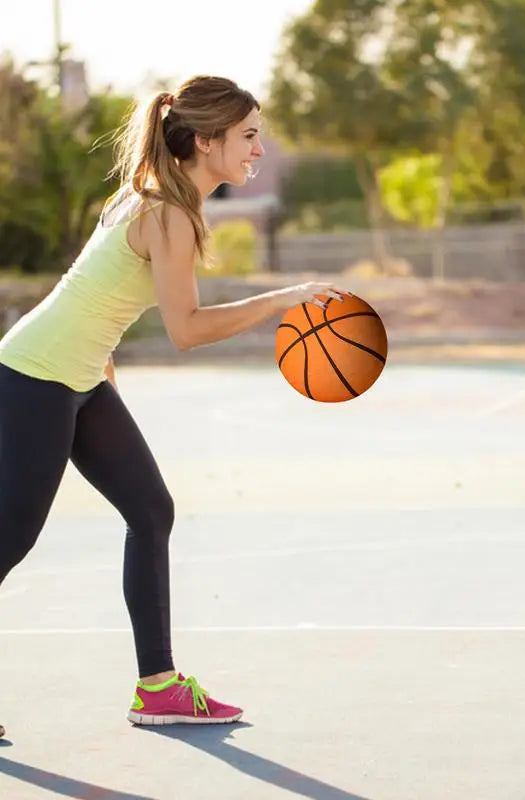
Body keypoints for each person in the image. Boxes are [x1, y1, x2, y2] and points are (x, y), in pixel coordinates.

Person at [0, 75, 344, 735]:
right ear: (206, 140)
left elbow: (94, 299)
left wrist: (100, 386)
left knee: (150, 509)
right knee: (10, 538)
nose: (258, 149)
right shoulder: (168, 212)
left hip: (79, 378)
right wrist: (282, 299)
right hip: (35, 376)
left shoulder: (159, 200)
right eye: (247, 136)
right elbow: (184, 329)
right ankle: (157, 684)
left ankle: (157, 687)